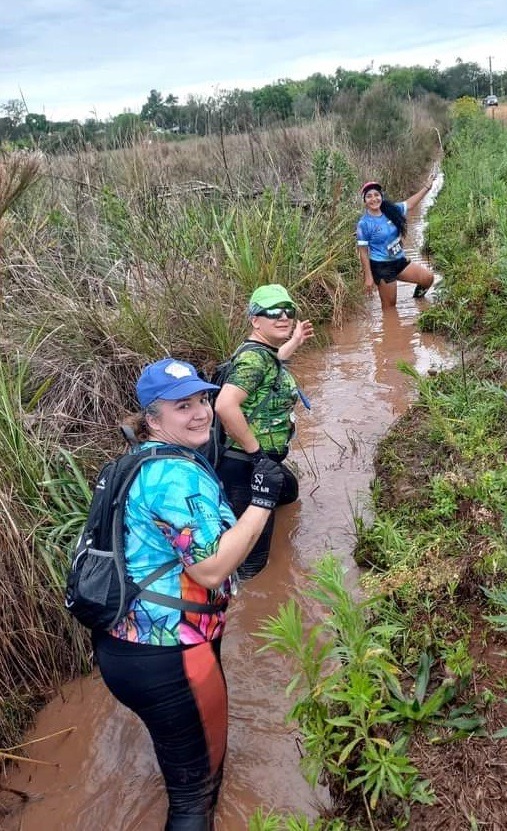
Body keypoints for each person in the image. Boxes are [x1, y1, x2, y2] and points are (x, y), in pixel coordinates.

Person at [95, 357, 285, 830]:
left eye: (203, 399)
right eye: (184, 406)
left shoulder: (136, 462)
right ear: (152, 418)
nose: (201, 412)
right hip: (171, 655)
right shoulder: (174, 475)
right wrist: (262, 502)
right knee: (195, 795)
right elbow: (212, 568)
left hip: (125, 646)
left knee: (181, 763)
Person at [213, 284, 313, 579]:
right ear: (255, 320)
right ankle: (252, 606)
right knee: (253, 564)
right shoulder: (254, 359)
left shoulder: (263, 353)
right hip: (245, 465)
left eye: (288, 311)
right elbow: (225, 405)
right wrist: (257, 455)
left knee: (289, 492)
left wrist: (293, 343)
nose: (283, 317)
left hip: (263, 461)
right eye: (272, 312)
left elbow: (274, 361)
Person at [356, 176, 437, 312]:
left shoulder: (391, 210)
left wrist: (427, 187)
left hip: (399, 261)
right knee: (390, 309)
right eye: (369, 196)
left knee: (427, 278)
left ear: (381, 196)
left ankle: (419, 302)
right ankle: (390, 331)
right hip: (382, 267)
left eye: (376, 195)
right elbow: (363, 251)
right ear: (364, 201)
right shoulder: (364, 224)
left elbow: (410, 204)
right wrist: (368, 277)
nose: (374, 199)